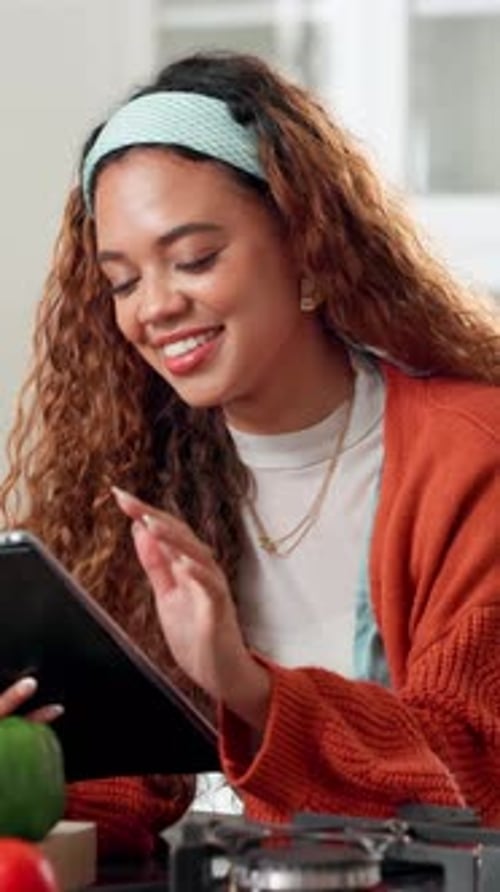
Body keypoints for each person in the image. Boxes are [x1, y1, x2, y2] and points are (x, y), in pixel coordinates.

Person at [1, 49, 499, 845]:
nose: (155, 308)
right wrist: (23, 760)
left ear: (308, 245)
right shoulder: (137, 479)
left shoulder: (475, 454)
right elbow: (126, 802)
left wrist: (242, 682)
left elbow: (475, 774)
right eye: (123, 282)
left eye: (195, 259)